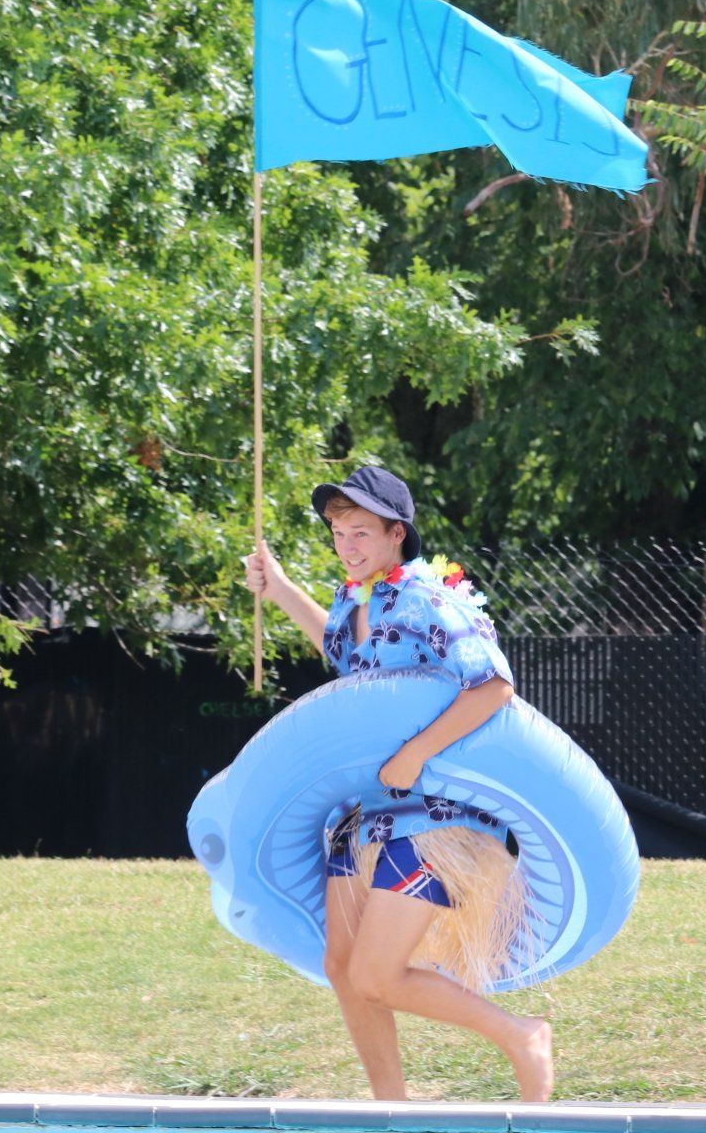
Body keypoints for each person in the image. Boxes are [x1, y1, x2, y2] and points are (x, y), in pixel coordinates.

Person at [243, 464, 553, 1102]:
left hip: (436, 817)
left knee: (378, 975)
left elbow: (494, 683)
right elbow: (339, 656)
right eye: (338, 533)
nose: (346, 545)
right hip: (369, 814)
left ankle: (522, 1035)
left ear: (395, 535)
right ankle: (391, 1109)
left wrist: (416, 752)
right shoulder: (356, 599)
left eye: (359, 532)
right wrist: (277, 588)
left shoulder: (427, 597)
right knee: (342, 968)